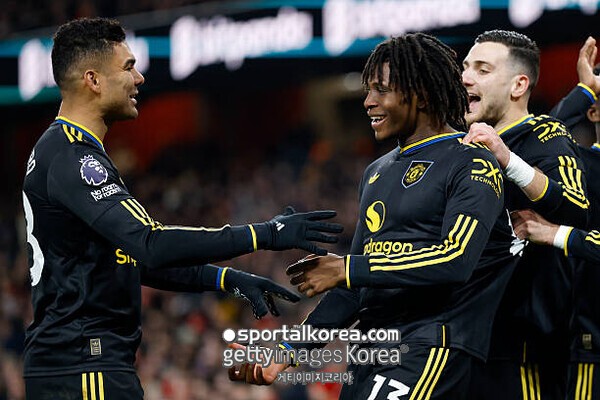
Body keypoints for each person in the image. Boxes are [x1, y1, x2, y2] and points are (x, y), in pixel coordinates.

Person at [22, 17, 343, 400]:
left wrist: (224, 278)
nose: (139, 78)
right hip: (84, 366)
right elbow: (150, 243)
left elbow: (130, 259)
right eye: (128, 67)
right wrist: (265, 234)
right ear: (93, 80)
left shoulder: (67, 151)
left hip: (80, 363)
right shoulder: (73, 157)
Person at [228, 33, 522, 399]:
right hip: (371, 350)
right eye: (368, 90)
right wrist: (286, 353)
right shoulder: (376, 172)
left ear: (421, 94)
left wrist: (347, 268)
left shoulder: (471, 161)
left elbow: (456, 259)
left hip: (434, 343)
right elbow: (356, 288)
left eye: (381, 90)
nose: (368, 101)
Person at [468, 36, 600, 400]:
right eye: (466, 67)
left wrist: (557, 235)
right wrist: (585, 91)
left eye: (482, 68)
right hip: (547, 340)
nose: (466, 76)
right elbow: (539, 133)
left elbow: (541, 135)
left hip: (555, 343)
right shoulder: (580, 159)